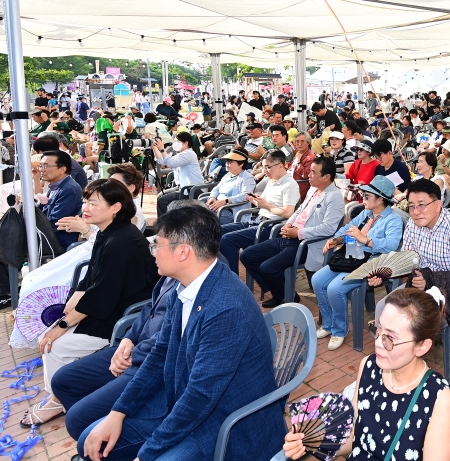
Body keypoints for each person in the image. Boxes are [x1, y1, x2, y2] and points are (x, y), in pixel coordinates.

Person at [80, 206, 284, 461]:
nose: (152, 251)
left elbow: (202, 395)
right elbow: (160, 354)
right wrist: (117, 413)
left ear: (183, 251)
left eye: (157, 244)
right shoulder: (185, 286)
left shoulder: (226, 307)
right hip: (185, 403)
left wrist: (146, 455)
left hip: (225, 422)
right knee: (90, 438)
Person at [23, 180, 156, 428]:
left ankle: (57, 400)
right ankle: (62, 393)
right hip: (108, 304)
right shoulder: (110, 233)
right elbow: (90, 279)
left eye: (93, 202)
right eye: (85, 201)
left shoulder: (121, 241)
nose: (85, 207)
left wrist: (61, 326)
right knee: (54, 332)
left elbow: (102, 295)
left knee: (56, 344)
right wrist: (69, 305)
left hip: (121, 316)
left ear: (115, 207)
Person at [283, 288, 450, 461]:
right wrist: (314, 443)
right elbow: (354, 436)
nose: (378, 342)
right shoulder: (369, 367)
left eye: (390, 338)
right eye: (378, 329)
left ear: (422, 346)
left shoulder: (439, 399)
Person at [52, 274, 178, 442]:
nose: (152, 253)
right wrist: (128, 338)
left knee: (76, 421)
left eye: (155, 247)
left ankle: (107, 443)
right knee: (63, 381)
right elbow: (151, 307)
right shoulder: (170, 272)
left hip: (152, 361)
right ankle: (98, 436)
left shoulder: (194, 277)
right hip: (135, 347)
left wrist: (132, 355)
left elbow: (172, 336)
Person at [371, 178, 450, 325]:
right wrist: (383, 273)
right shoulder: (413, 223)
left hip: (446, 291)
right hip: (418, 285)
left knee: (410, 323)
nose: (416, 212)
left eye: (422, 205)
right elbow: (406, 259)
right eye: (411, 206)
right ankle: (387, 346)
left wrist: (431, 280)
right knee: (382, 309)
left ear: (437, 205)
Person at [314, 175, 403, 350]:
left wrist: (366, 240)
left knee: (334, 288)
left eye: (367, 196)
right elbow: (346, 229)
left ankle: (339, 330)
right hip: (350, 256)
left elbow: (392, 246)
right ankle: (329, 324)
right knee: (317, 280)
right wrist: (337, 240)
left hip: (368, 262)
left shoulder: (393, 220)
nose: (363, 198)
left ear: (380, 200)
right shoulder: (365, 213)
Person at [240, 157, 343, 307]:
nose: (309, 175)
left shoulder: (334, 197)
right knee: (247, 255)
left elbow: (328, 228)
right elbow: (299, 210)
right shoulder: (313, 189)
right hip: (290, 237)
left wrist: (298, 232)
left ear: (326, 177)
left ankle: (281, 297)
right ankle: (282, 292)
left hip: (306, 244)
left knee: (268, 267)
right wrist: (288, 224)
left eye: (313, 172)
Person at [219, 150, 301, 272]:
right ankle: (223, 273)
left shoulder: (290, 184)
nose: (265, 171)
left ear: (280, 165)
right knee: (217, 230)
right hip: (258, 220)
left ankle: (232, 280)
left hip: (271, 226)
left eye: (268, 167)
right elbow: (266, 203)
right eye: (264, 167)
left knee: (227, 240)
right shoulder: (271, 180)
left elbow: (288, 213)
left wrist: (266, 205)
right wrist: (257, 201)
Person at [35, 150, 85, 249]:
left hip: (56, 241)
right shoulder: (57, 185)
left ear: (62, 169)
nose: (41, 169)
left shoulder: (69, 189)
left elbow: (54, 222)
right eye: (40, 166)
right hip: (49, 237)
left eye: (46, 166)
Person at [153, 131, 204, 216]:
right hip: (183, 188)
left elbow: (170, 163)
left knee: (162, 200)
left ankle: (164, 225)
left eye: (177, 141)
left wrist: (162, 149)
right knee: (160, 196)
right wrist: (155, 148)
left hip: (192, 190)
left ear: (186, 143)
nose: (175, 143)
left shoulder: (188, 154)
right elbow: (162, 161)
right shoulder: (182, 154)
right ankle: (167, 223)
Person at [206, 148, 256, 222]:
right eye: (227, 161)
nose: (227, 164)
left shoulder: (247, 177)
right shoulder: (228, 175)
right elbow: (216, 188)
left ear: (241, 164)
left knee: (202, 217)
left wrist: (225, 201)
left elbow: (246, 195)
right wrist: (212, 197)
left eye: (230, 161)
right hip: (218, 207)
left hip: (230, 211)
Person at [289, 131, 316, 201]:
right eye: (297, 141)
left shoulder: (311, 157)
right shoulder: (299, 152)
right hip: (290, 181)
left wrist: (298, 161)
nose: (299, 144)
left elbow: (306, 174)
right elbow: (292, 167)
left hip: (300, 186)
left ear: (308, 142)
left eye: (302, 141)